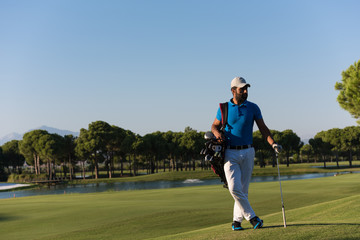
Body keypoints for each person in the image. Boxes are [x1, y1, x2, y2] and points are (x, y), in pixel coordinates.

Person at [211, 76, 282, 231]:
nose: (245, 91)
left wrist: (273, 143)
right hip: (230, 152)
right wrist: (217, 134)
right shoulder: (224, 108)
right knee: (234, 188)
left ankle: (236, 222)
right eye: (241, 89)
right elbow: (214, 126)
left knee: (243, 190)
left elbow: (263, 128)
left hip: (248, 151)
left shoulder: (253, 107)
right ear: (233, 90)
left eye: (246, 89)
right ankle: (253, 218)